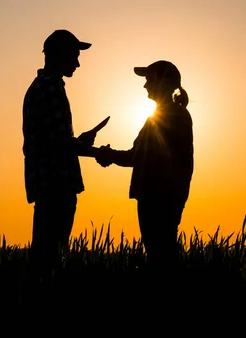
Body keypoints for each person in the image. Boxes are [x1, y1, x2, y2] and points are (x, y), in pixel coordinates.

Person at [96, 60, 194, 274]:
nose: (145, 86)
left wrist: (106, 154)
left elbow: (136, 157)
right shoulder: (170, 115)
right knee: (162, 255)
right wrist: (108, 155)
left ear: (161, 82)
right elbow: (139, 157)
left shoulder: (169, 117)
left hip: (158, 199)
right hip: (161, 198)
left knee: (161, 258)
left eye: (149, 80)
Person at [22, 29, 105, 280]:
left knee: (45, 254)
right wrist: (95, 151)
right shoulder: (51, 87)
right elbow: (59, 145)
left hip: (46, 182)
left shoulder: (40, 86)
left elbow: (53, 140)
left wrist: (79, 142)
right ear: (58, 55)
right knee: (51, 257)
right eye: (74, 56)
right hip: (56, 183)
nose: (78, 63)